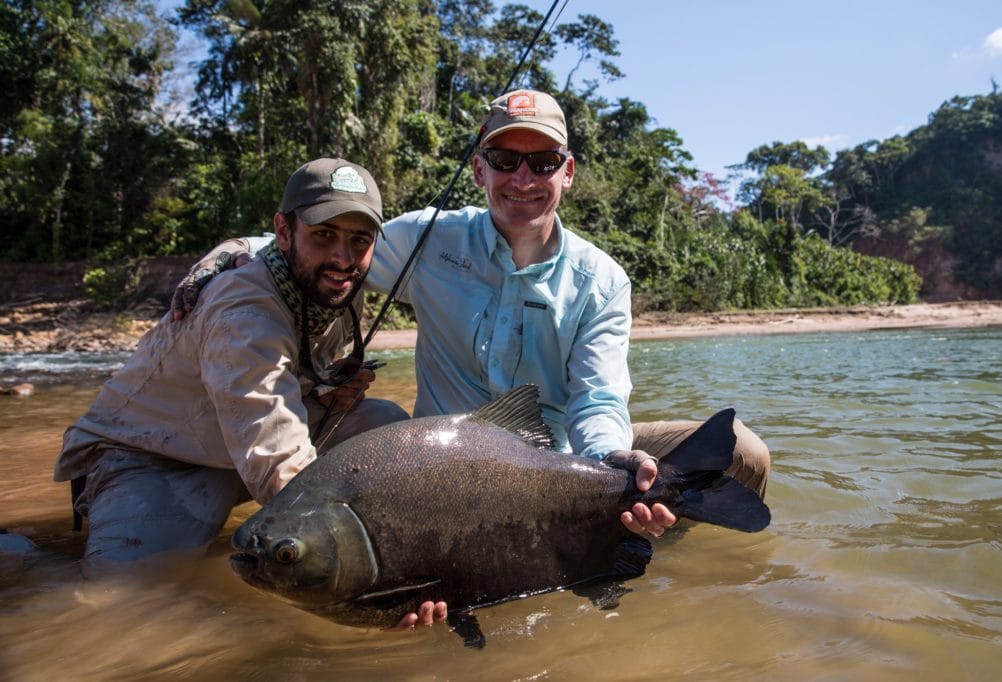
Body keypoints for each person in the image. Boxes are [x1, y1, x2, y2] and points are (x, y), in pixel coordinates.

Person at [177, 90, 771, 627]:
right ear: (480, 169)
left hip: (560, 462)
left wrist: (619, 466)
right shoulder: (428, 240)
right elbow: (330, 244)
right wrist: (231, 257)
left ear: (567, 173)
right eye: (505, 160)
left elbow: (598, 396)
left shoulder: (602, 280)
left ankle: (619, 544)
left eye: (541, 163)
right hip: (446, 477)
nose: (522, 178)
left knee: (743, 451)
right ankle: (563, 551)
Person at [54, 158, 410, 578]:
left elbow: (278, 398)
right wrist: (370, 566)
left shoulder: (335, 283)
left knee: (381, 423)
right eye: (323, 235)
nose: (342, 257)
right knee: (117, 595)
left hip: (235, 443)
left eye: (359, 241)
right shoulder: (242, 311)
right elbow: (279, 464)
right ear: (283, 232)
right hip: (151, 457)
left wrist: (324, 390)